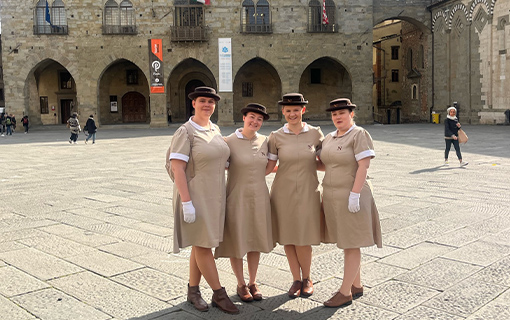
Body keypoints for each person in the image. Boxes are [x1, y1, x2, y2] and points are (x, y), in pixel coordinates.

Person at [168, 86, 238, 314]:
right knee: (203, 245)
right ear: (193, 103)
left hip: (214, 196)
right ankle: (219, 294)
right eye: (203, 101)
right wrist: (187, 203)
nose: (207, 105)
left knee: (200, 244)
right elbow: (177, 168)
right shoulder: (185, 131)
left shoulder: (214, 128)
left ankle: (193, 291)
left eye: (211, 101)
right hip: (195, 196)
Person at [319, 98, 382, 308]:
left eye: (342, 113)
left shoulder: (359, 134)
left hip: (352, 194)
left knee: (351, 242)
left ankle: (344, 292)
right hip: (331, 195)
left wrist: (354, 194)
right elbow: (326, 164)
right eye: (334, 114)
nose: (338, 117)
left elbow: (363, 166)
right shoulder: (329, 137)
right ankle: (356, 285)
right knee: (346, 240)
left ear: (351, 114)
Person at [266, 93, 324, 299]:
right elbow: (269, 167)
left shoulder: (315, 134)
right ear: (283, 111)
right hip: (283, 192)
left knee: (304, 237)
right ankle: (295, 280)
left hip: (308, 191)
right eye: (288, 110)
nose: (292, 114)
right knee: (288, 238)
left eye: (296, 110)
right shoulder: (275, 137)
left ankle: (307, 278)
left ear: (303, 111)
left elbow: (326, 161)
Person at [214, 103, 274, 303]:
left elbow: (269, 167)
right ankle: (240, 283)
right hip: (237, 196)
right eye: (252, 117)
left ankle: (253, 281)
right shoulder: (228, 141)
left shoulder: (265, 141)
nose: (255, 121)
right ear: (244, 117)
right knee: (237, 240)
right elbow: (217, 166)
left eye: (259, 119)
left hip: (259, 197)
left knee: (255, 239)